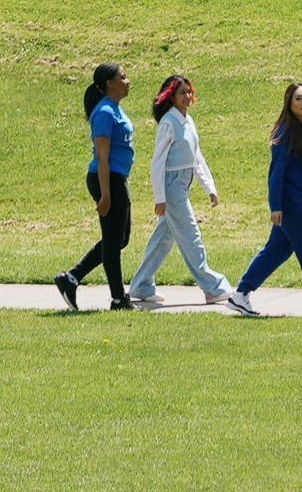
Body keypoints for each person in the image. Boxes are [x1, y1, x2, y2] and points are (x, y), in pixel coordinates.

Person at [225, 80, 302, 315]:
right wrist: (275, 206)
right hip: (291, 203)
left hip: (300, 201)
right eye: (298, 99)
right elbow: (276, 173)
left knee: (277, 250)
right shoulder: (285, 132)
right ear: (289, 103)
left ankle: (240, 294)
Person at [132, 73, 228, 310]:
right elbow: (158, 162)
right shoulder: (168, 122)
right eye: (181, 93)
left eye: (188, 92)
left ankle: (141, 285)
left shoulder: (188, 120)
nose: (187, 96)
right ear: (170, 96)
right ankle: (213, 288)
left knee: (165, 237)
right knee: (191, 235)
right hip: (171, 184)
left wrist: (210, 187)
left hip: (184, 182)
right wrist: (160, 198)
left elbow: (197, 156)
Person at [55, 59, 138, 311]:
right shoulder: (103, 112)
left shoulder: (114, 108)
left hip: (116, 177)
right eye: (123, 77)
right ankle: (117, 299)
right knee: (113, 242)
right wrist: (105, 194)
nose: (127, 81)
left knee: (119, 239)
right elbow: (102, 156)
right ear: (109, 84)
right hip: (107, 177)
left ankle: (71, 278)